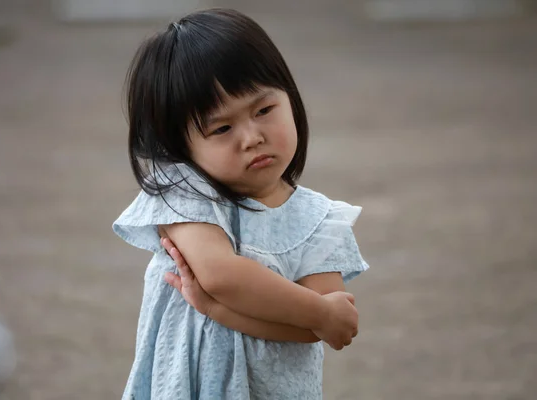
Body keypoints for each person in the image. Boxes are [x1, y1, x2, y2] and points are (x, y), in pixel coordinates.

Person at [112, 8, 369, 400]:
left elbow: (319, 330)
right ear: (181, 145)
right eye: (222, 128)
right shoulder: (184, 191)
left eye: (264, 110)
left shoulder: (320, 222)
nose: (251, 137)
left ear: (290, 98)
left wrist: (221, 311)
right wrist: (318, 313)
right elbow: (220, 275)